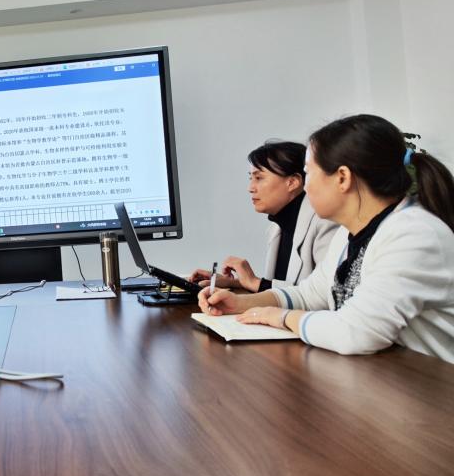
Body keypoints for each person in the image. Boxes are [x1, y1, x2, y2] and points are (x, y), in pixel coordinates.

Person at [200, 114, 454, 363]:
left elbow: (357, 333)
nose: (305, 186)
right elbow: (309, 295)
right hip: (381, 374)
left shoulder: (414, 235)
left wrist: (281, 317)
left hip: (427, 384)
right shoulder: (348, 233)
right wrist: (240, 303)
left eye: (308, 173)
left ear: (342, 178)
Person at [191, 141, 339, 291]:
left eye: (259, 178)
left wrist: (254, 281)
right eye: (250, 178)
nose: (250, 188)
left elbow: (327, 292)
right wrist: (235, 282)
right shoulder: (276, 226)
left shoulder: (326, 223)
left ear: (292, 182)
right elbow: (281, 286)